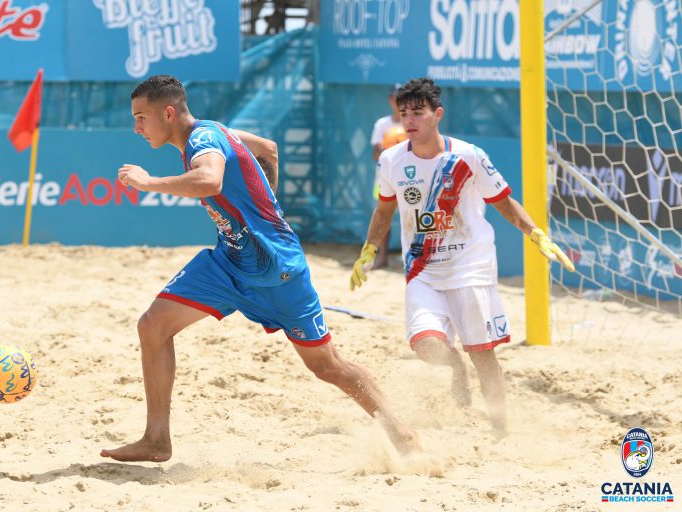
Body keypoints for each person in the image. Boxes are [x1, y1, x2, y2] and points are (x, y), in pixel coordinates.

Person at [100, 75, 419, 462]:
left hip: (275, 267)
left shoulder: (203, 140)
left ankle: (402, 435)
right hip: (229, 261)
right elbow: (269, 149)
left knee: (328, 366)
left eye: (140, 117)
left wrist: (149, 181)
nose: (136, 128)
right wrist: (263, 203)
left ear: (168, 113)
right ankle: (156, 439)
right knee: (153, 325)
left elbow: (209, 180)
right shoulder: (216, 130)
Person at [350, 77, 574, 432]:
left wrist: (535, 233)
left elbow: (503, 201)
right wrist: (370, 249)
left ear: (437, 114)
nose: (409, 120)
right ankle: (456, 370)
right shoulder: (392, 159)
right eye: (404, 113)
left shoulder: (468, 156)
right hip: (422, 269)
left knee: (482, 353)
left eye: (418, 112)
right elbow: (384, 209)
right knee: (426, 346)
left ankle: (501, 427)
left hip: (470, 266)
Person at [368, 84, 405, 269]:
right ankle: (382, 258)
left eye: (402, 97)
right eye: (396, 98)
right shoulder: (382, 124)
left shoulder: (412, 123)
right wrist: (386, 152)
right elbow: (375, 155)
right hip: (385, 177)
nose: (398, 102)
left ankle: (410, 256)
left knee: (412, 216)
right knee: (383, 217)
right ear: (390, 100)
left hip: (408, 176)